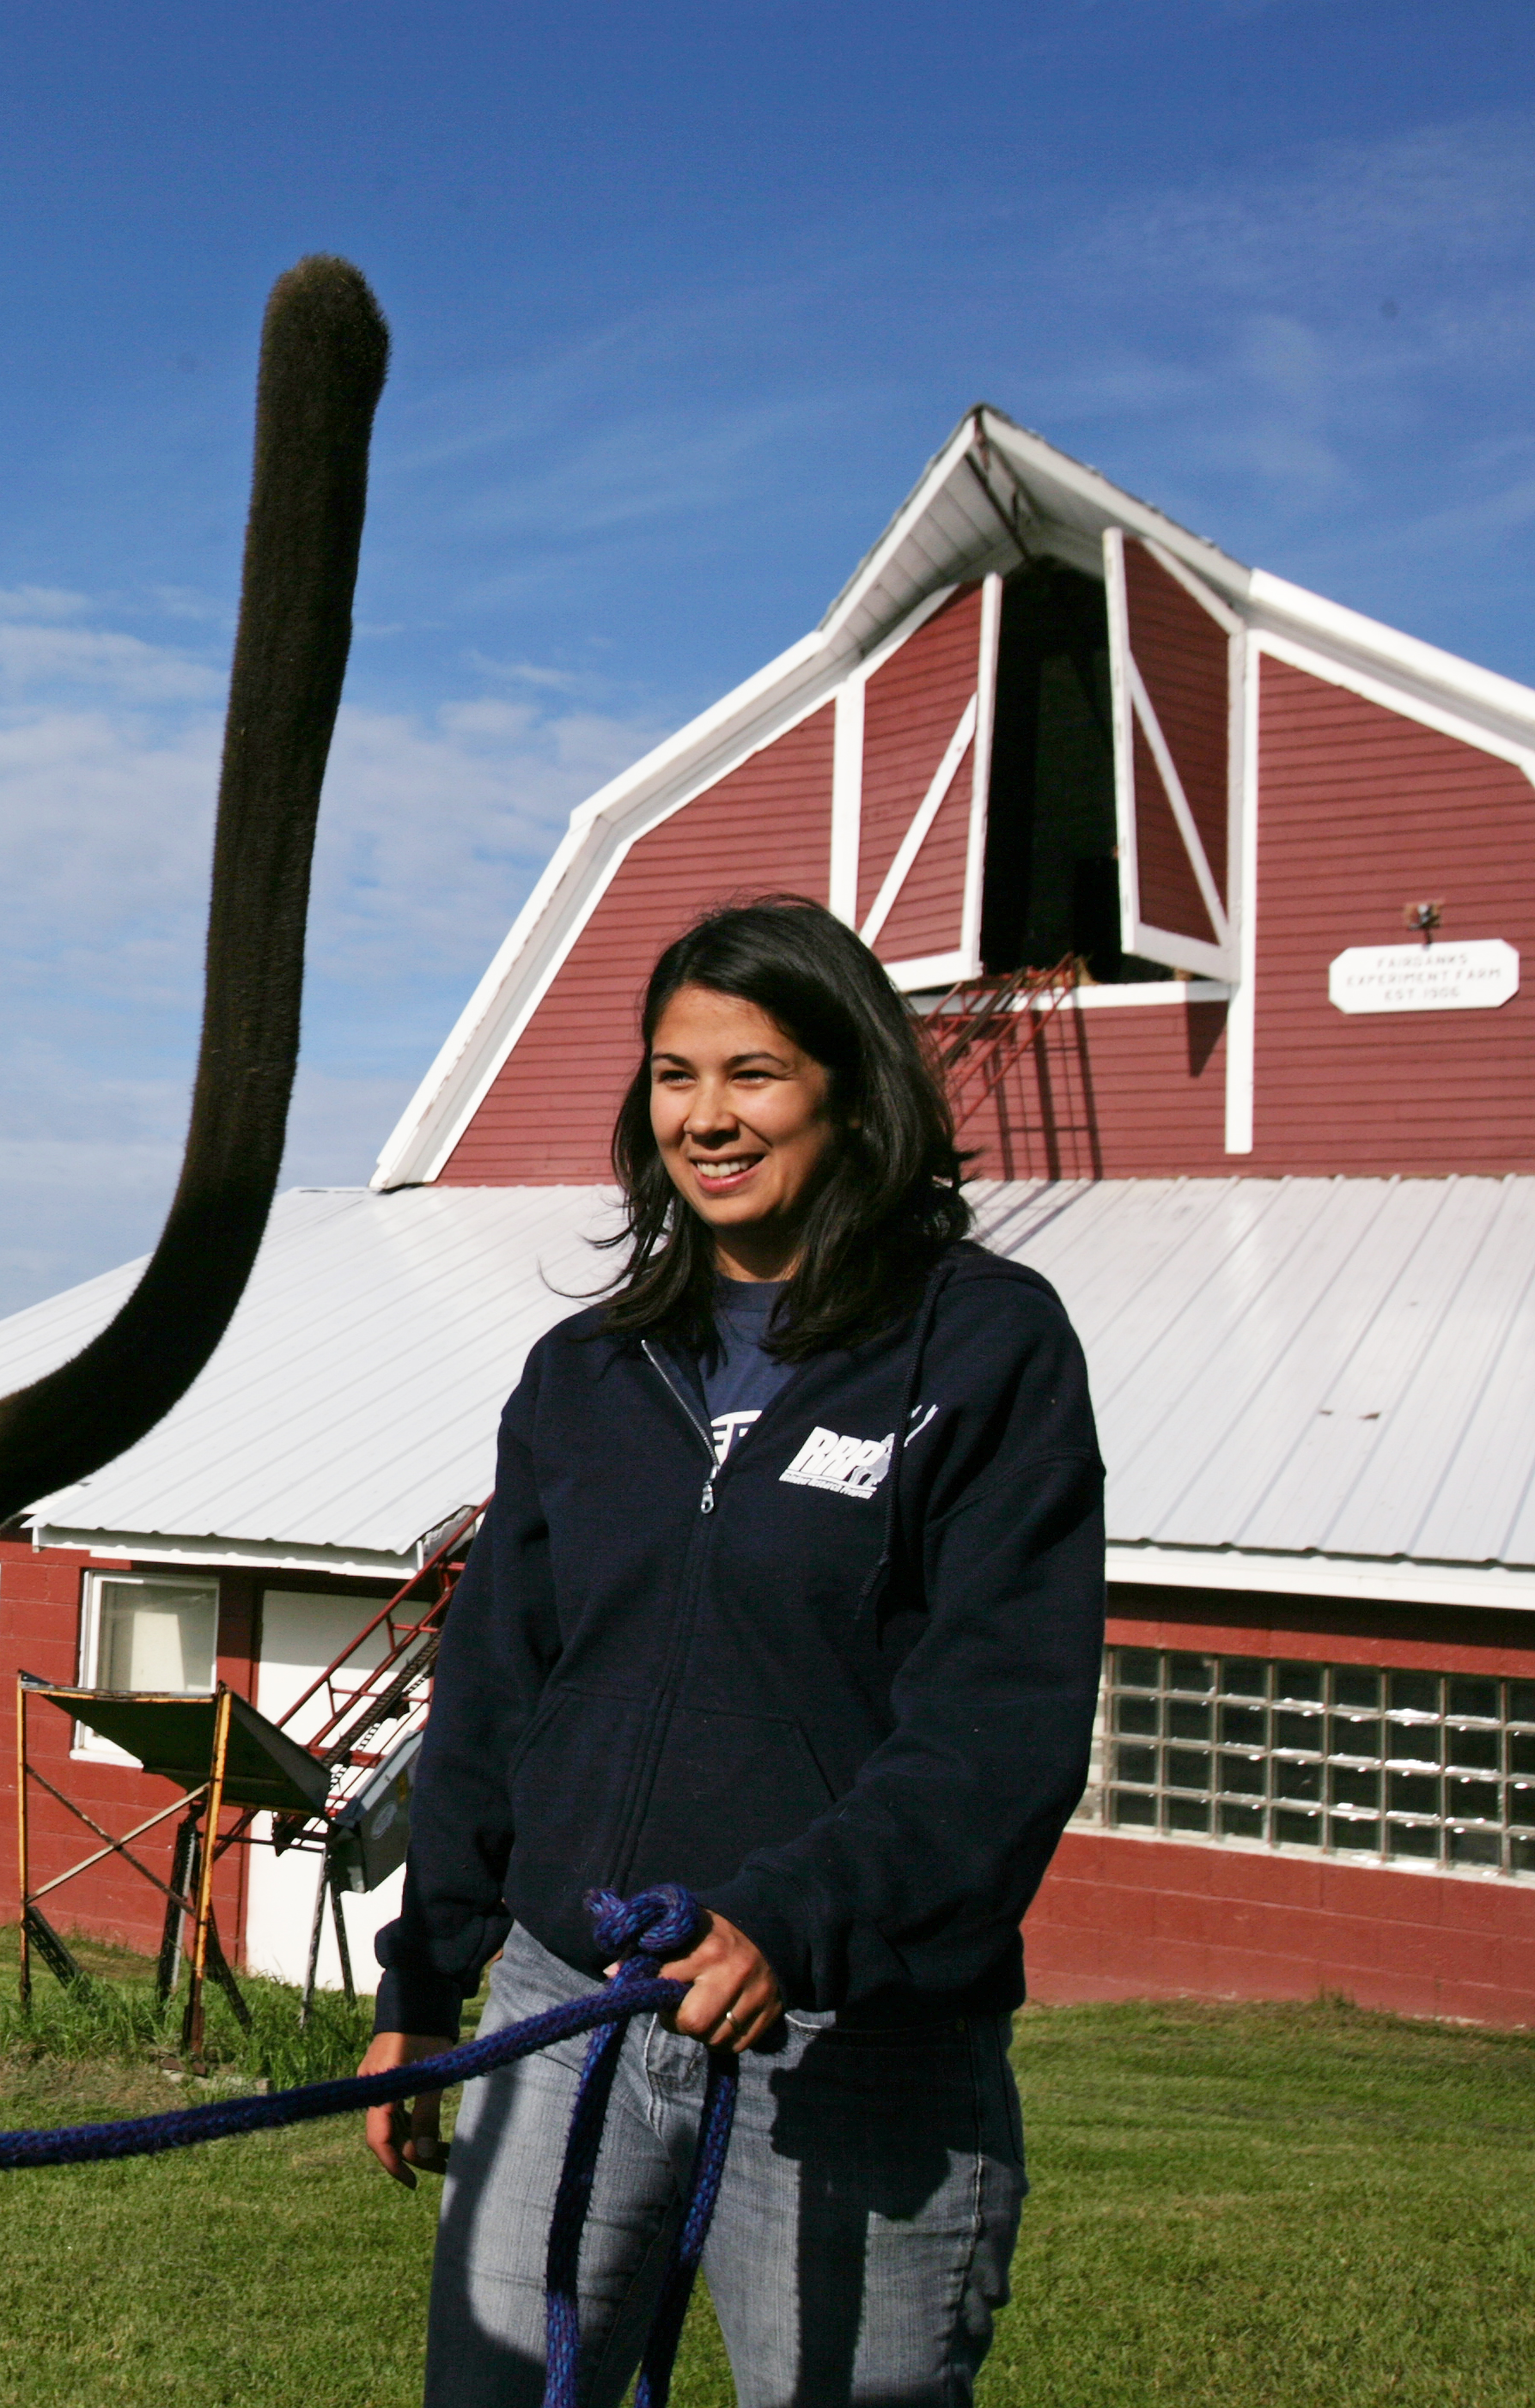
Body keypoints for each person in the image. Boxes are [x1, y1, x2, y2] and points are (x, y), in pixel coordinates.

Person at [357, 897, 1105, 2407]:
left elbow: (999, 1726)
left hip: (859, 2048)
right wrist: (422, 1981)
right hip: (572, 2012)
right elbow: (496, 1687)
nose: (707, 1117)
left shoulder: (985, 1347)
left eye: (752, 1074)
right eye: (674, 1075)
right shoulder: (586, 1370)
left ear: (853, 1084)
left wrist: (793, 1915)